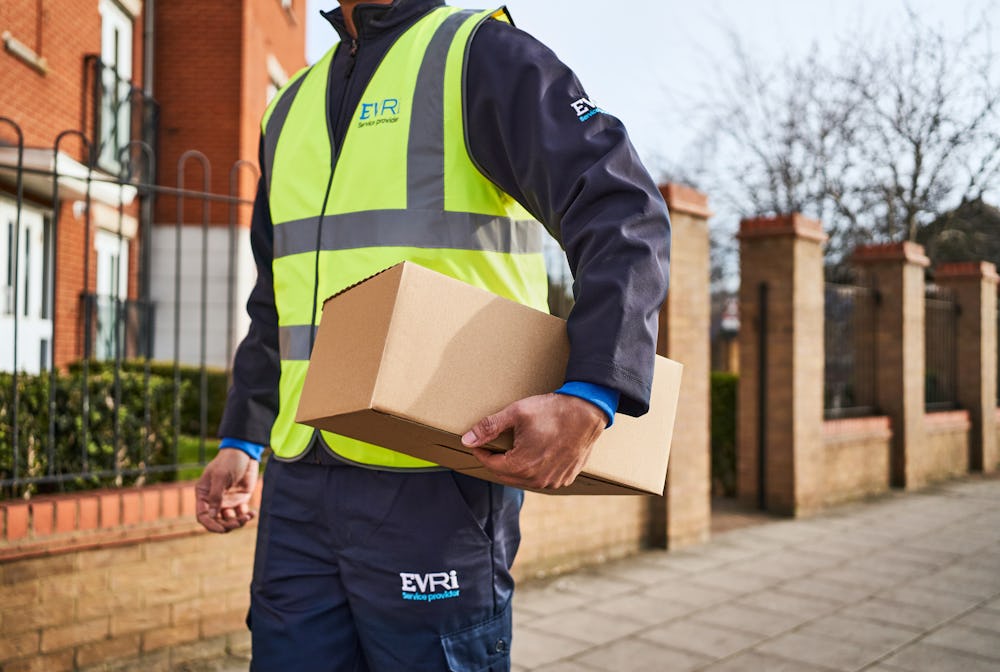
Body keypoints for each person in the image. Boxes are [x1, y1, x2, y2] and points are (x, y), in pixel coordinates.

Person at [194, 1, 670, 670]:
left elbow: (624, 210)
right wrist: (242, 437)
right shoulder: (290, 105)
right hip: (301, 479)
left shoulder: (481, 55)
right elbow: (276, 297)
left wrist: (593, 390)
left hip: (438, 473)